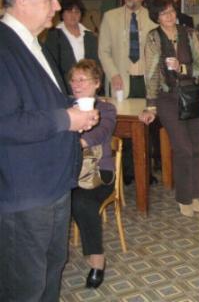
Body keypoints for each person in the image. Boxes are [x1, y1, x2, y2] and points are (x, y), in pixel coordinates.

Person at [0, 0, 99, 301]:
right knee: (25, 285)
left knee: (51, 271)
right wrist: (66, 119)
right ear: (22, 0)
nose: (57, 6)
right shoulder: (4, 48)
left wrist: (73, 108)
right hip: (24, 193)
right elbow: (5, 123)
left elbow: (40, 101)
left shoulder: (33, 42)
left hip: (53, 185)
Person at [138, 0, 199, 217]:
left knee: (195, 148)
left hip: (191, 96)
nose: (169, 16)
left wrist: (183, 69)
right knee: (183, 148)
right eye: (163, 13)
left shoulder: (188, 33)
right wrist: (151, 105)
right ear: (156, 17)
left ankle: (194, 195)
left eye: (171, 11)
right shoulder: (153, 38)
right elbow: (151, 74)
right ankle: (183, 198)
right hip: (167, 98)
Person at [98, 0, 156, 184]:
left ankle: (146, 172)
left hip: (145, 82)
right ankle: (126, 172)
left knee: (147, 127)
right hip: (121, 82)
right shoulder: (110, 17)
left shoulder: (152, 17)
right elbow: (103, 51)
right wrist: (113, 74)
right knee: (123, 128)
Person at [69, 59, 116, 289]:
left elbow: (99, 133)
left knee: (80, 201)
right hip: (68, 172)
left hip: (98, 173)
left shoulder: (106, 109)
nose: (76, 84)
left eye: (82, 80)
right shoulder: (65, 108)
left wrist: (75, 142)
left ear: (97, 83)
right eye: (73, 80)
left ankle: (97, 260)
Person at [44, 0, 100, 95]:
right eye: (69, 11)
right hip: (64, 88)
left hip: (88, 88)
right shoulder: (54, 35)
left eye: (77, 12)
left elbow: (96, 64)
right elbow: (51, 65)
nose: (73, 15)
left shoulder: (89, 36)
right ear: (62, 14)